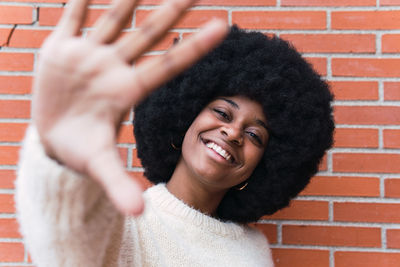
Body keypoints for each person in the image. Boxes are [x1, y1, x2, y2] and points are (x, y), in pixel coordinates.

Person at [15, 0, 334, 266]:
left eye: (254, 135)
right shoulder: (124, 224)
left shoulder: (253, 253)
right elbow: (65, 244)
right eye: (222, 113)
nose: (234, 132)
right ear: (183, 116)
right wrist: (60, 161)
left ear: (264, 164)